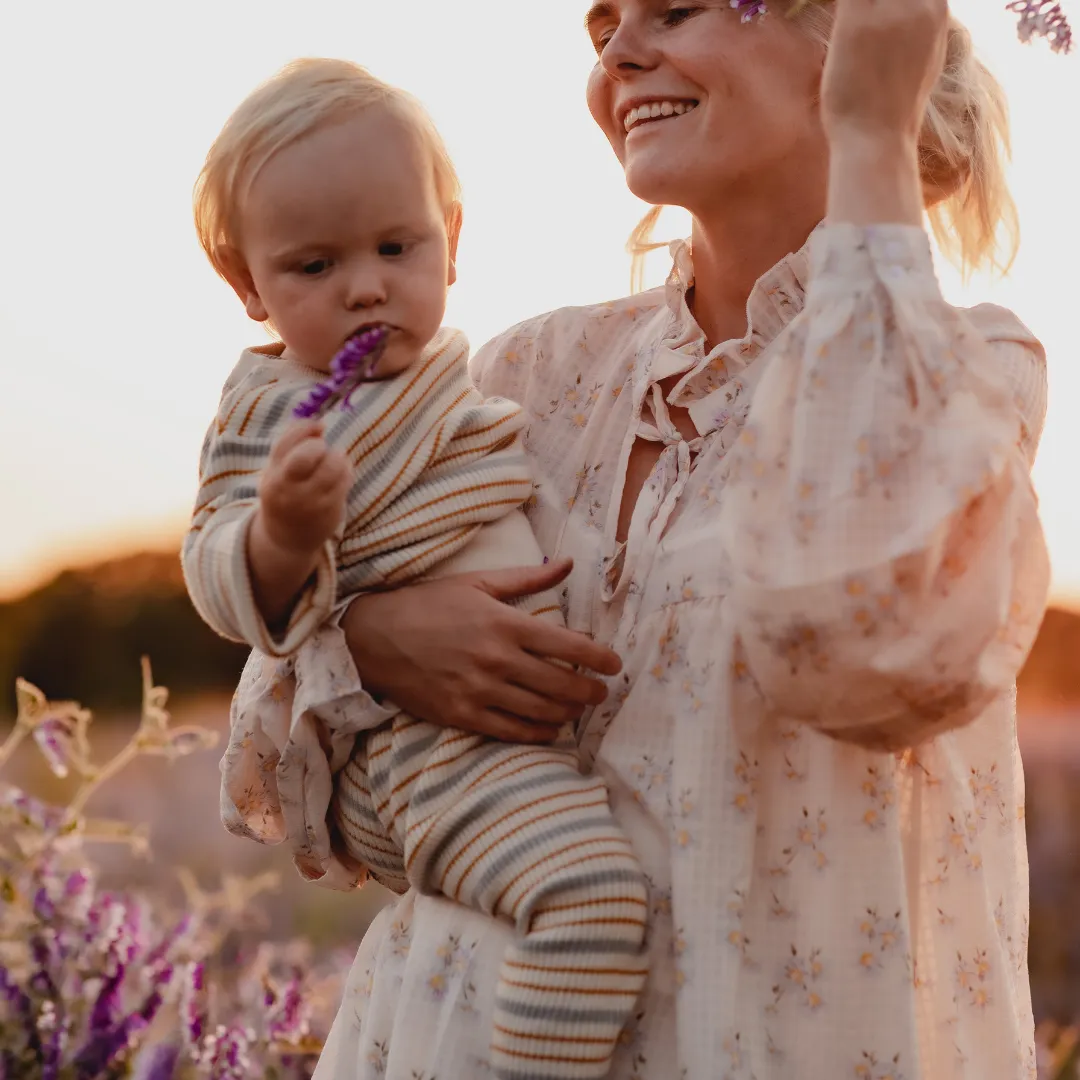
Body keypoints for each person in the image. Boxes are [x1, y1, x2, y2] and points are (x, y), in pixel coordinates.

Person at [309, 0, 1052, 1077]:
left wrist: (874, 142)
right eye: (603, 26)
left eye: (677, 8)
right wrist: (369, 636)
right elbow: (315, 753)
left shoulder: (969, 374)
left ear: (849, 38)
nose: (619, 52)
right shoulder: (524, 377)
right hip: (446, 1041)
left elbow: (857, 650)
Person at [182, 58, 650, 1080]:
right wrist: (280, 537)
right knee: (589, 903)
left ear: (454, 237)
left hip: (511, 744)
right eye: (313, 266)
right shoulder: (275, 413)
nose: (366, 284)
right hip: (425, 752)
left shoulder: (463, 370)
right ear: (245, 283)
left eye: (399, 246)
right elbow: (212, 568)